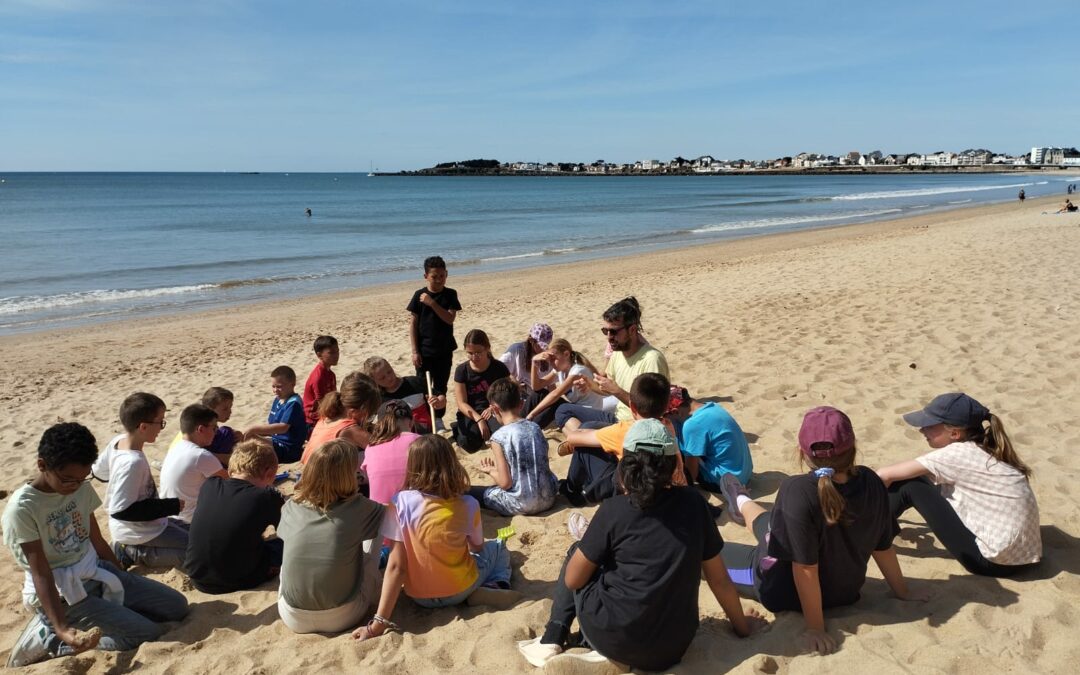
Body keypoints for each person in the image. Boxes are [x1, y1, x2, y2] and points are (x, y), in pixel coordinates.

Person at [518, 419, 765, 670]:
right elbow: (719, 580)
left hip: (613, 637)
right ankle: (592, 646)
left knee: (577, 553)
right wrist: (742, 628)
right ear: (673, 465)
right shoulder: (695, 504)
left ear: (625, 463)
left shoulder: (614, 510)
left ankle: (554, 637)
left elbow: (573, 581)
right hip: (673, 647)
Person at [719, 407, 924, 655]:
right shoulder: (872, 481)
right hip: (845, 593)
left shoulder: (797, 490)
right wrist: (902, 591)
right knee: (768, 523)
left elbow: (805, 569)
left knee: (707, 554)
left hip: (781, 590)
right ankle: (740, 499)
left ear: (802, 452)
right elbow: (883, 546)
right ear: (853, 447)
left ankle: (740, 500)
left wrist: (815, 628)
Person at [2, 423, 189, 668]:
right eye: (68, 480)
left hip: (96, 571)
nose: (75, 486)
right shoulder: (23, 509)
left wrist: (121, 575)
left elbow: (96, 539)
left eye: (82, 478)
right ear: (42, 465)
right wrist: (61, 628)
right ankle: (50, 638)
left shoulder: (80, 486)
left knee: (177, 607)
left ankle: (105, 611)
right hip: (64, 594)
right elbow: (41, 572)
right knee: (146, 633)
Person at [352, 435, 517, 641]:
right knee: (498, 546)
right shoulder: (468, 504)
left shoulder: (400, 502)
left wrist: (377, 624)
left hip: (418, 596)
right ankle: (497, 584)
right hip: (459, 589)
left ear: (412, 466)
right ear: (452, 464)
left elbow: (396, 566)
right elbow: (477, 547)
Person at [876, 393, 1041, 577]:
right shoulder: (986, 446)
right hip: (1024, 557)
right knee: (920, 477)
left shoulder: (956, 454)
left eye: (929, 426)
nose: (922, 430)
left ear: (954, 433)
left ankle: (871, 535)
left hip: (992, 562)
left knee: (909, 484)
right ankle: (881, 527)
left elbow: (883, 475)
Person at [277, 440, 386, 633]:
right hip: (344, 615)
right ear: (347, 476)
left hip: (292, 616)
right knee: (379, 526)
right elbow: (390, 515)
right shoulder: (359, 507)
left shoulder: (291, 507)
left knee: (291, 557)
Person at [92, 393, 187, 570]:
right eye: (160, 422)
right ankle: (129, 552)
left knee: (198, 535)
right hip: (137, 532)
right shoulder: (132, 463)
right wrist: (168, 506)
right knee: (197, 554)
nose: (161, 428)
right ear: (143, 427)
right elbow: (121, 510)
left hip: (149, 523)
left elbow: (99, 472)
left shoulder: (118, 441)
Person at [559, 372, 682, 505]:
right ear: (665, 407)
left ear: (632, 407)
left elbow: (573, 437)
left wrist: (576, 438)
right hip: (661, 485)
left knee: (583, 445)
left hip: (629, 490)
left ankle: (571, 489)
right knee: (591, 428)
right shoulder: (668, 427)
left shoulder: (625, 430)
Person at [183, 440, 285, 594]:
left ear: (230, 471)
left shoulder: (210, 485)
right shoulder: (265, 497)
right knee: (281, 545)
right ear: (269, 474)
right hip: (237, 580)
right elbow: (287, 532)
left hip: (198, 577)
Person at [559, 297, 668, 432]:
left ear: (632, 330)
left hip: (636, 425)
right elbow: (606, 390)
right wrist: (588, 383)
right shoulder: (618, 354)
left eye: (614, 331)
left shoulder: (652, 359)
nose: (609, 337)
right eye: (606, 331)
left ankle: (581, 440)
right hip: (617, 418)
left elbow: (651, 411)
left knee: (586, 429)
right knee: (563, 410)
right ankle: (580, 440)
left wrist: (617, 391)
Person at [467, 378, 558, 516]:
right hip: (549, 497)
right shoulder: (535, 427)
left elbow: (505, 483)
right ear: (521, 404)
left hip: (521, 504)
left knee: (471, 491)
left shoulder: (498, 437)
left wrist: (491, 471)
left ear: (494, 409)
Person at [665, 386, 753, 493]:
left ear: (675, 412)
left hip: (723, 482)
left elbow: (691, 473)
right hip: (743, 475)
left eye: (665, 416)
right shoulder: (713, 406)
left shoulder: (692, 424)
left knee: (675, 442)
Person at [408, 255, 461, 432]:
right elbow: (413, 324)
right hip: (424, 351)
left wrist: (431, 303)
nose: (438, 280)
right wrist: (415, 351)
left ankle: (438, 419)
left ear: (446, 274)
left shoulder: (450, 294)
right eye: (434, 276)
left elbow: (449, 318)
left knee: (440, 387)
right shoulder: (418, 295)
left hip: (444, 350)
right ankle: (425, 418)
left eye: (442, 276)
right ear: (426, 276)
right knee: (423, 386)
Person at [160, 404, 228, 525]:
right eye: (214, 428)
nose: (216, 432)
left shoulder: (176, 447)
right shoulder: (201, 455)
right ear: (201, 429)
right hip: (190, 520)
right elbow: (233, 482)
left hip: (169, 517)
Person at [526, 338, 614, 430]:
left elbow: (555, 394)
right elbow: (536, 386)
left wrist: (532, 414)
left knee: (557, 404)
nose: (551, 363)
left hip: (590, 412)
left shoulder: (577, 370)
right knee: (539, 394)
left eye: (553, 358)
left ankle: (529, 429)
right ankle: (516, 423)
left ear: (566, 354)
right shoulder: (561, 369)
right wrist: (534, 363)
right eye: (550, 359)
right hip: (576, 409)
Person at [301, 371, 382, 464]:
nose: (368, 419)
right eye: (370, 415)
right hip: (323, 476)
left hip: (308, 472)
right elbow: (382, 450)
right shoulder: (350, 429)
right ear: (354, 411)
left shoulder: (327, 417)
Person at [452, 329, 512, 452]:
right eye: (470, 353)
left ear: (487, 349)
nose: (474, 357)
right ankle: (457, 428)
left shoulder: (499, 367)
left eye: (478, 352)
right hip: (471, 412)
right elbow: (461, 402)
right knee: (469, 443)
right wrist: (479, 419)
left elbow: (507, 392)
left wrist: (493, 407)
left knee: (503, 437)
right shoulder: (462, 370)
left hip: (494, 409)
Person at [363, 356, 444, 433]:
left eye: (389, 372)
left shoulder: (414, 383)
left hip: (426, 431)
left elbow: (440, 396)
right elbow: (367, 420)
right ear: (374, 382)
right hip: (400, 437)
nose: (389, 377)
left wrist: (439, 402)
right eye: (382, 378)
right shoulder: (378, 399)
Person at [362, 400, 421, 505]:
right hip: (415, 512)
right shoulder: (422, 442)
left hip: (381, 514)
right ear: (412, 422)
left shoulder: (370, 448)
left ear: (379, 425)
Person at [245, 366, 306, 464]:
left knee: (251, 439)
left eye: (279, 386)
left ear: (292, 384)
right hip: (276, 441)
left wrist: (254, 429)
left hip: (288, 448)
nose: (275, 390)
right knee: (243, 437)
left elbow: (283, 427)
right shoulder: (278, 400)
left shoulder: (294, 403)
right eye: (273, 386)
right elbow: (271, 426)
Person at [499, 322, 555, 422]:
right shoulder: (517, 349)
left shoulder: (546, 356)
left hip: (536, 397)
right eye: (540, 345)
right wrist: (514, 382)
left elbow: (551, 385)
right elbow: (499, 368)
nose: (542, 348)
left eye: (545, 345)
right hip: (517, 394)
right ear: (531, 341)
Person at [303, 335, 340, 430]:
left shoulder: (331, 374)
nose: (336, 355)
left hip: (326, 411)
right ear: (319, 355)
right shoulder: (318, 377)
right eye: (331, 353)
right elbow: (323, 405)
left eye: (337, 351)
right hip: (313, 420)